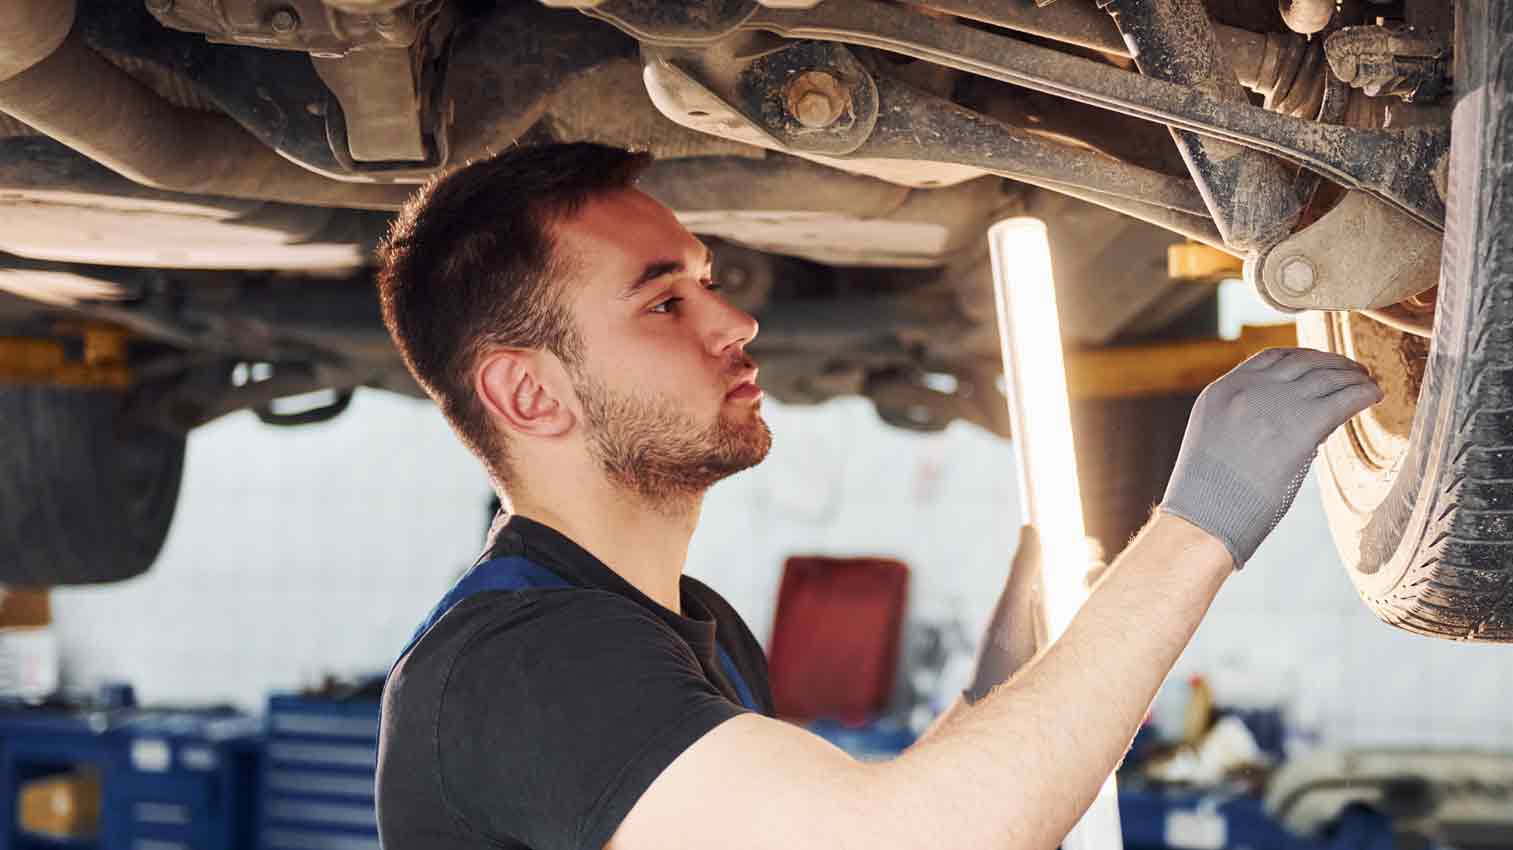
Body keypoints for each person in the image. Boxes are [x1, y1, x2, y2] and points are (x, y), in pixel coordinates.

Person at [372, 142, 1382, 850]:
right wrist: (1199, 523)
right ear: (526, 392)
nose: (734, 321)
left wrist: (991, 704)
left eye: (708, 280)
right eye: (665, 300)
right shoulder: (521, 662)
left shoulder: (690, 626)